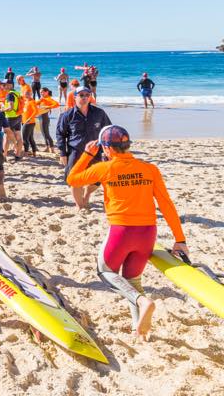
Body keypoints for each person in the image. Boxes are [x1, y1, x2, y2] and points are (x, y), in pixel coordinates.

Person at [66, 126, 188, 341]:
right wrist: (180, 239)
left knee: (105, 272)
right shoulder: (149, 169)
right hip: (148, 233)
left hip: (122, 232)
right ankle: (139, 329)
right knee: (133, 280)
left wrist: (87, 154)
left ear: (107, 148)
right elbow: (166, 205)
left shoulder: (104, 168)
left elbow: (72, 179)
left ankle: (142, 302)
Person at [57, 87, 112, 209]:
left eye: (87, 94)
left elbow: (108, 131)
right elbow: (60, 134)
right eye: (81, 95)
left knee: (97, 180)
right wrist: (62, 153)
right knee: (74, 180)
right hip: (75, 152)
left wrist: (108, 151)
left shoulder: (99, 113)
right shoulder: (67, 115)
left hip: (96, 151)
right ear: (75, 97)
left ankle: (87, 195)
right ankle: (80, 205)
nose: (84, 97)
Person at [1, 83, 24, 160]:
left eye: (4, 85)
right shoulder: (17, 93)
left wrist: (2, 109)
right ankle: (18, 155)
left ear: (10, 86)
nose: (2, 86)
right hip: (18, 116)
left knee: (6, 137)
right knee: (18, 136)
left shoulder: (9, 95)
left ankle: (4, 156)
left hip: (10, 118)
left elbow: (10, 107)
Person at [36, 87, 60, 152]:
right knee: (43, 133)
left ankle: (52, 148)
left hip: (44, 118)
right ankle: (47, 147)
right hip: (40, 117)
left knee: (46, 134)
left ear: (47, 92)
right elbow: (35, 103)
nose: (41, 93)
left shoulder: (48, 99)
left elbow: (57, 104)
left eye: (42, 92)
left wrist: (48, 107)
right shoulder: (43, 99)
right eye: (40, 92)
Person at [20, 89, 39, 157]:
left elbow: (36, 111)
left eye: (28, 93)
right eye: (25, 93)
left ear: (31, 94)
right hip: (25, 122)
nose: (26, 95)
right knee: (30, 138)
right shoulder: (25, 101)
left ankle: (26, 153)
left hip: (29, 123)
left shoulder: (32, 101)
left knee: (25, 138)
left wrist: (29, 118)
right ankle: (34, 153)